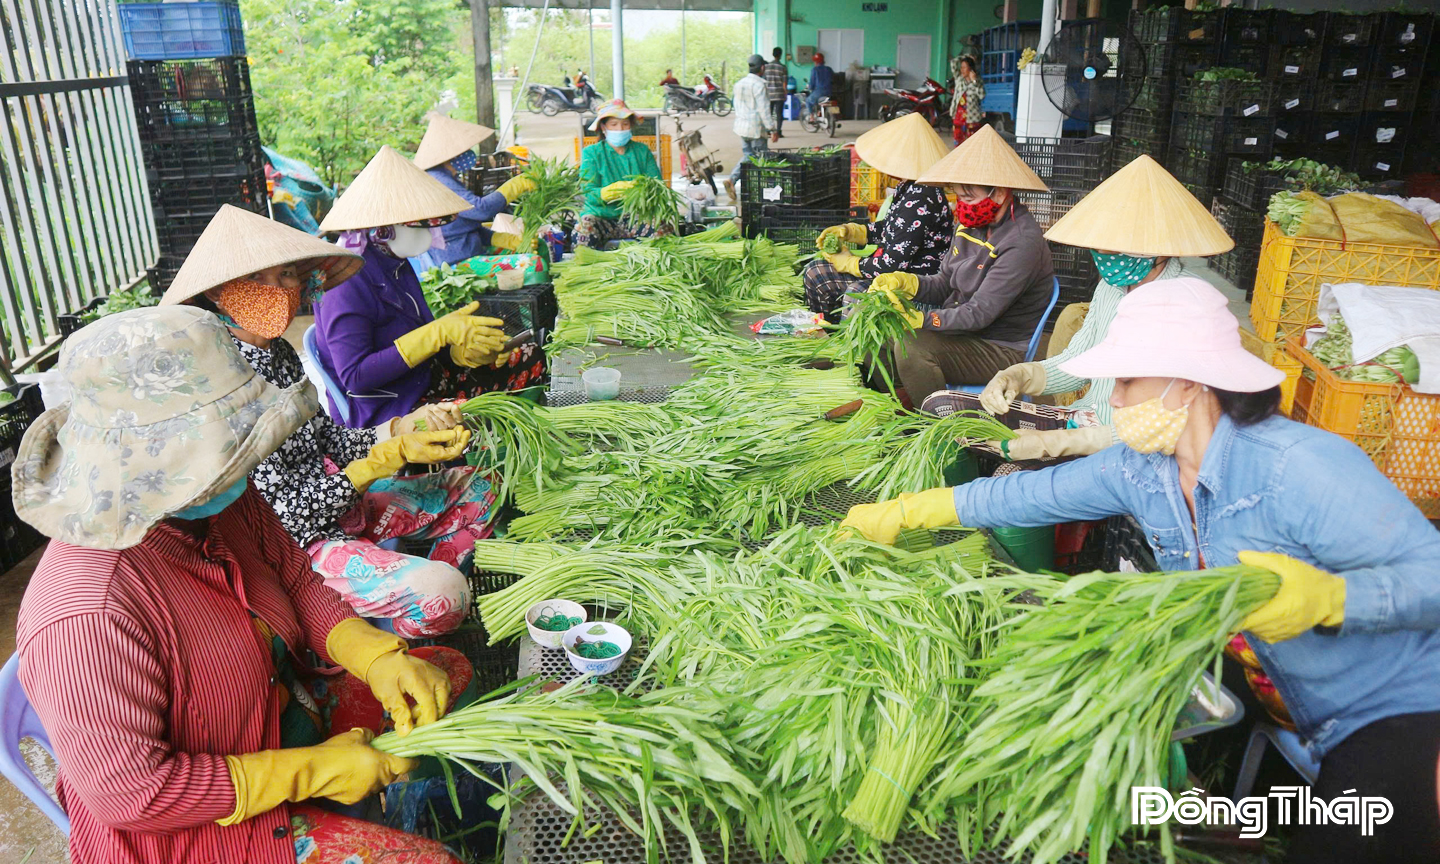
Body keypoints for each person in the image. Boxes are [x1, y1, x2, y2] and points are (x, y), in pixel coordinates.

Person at [840, 278, 1440, 864]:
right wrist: (916, 509)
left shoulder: (1301, 467)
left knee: (1358, 838)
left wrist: (1333, 599)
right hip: (1255, 675)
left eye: (1127, 381)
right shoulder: (1143, 465)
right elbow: (1035, 496)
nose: (1117, 399)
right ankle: (1213, 820)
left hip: (1382, 701)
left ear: (1188, 385)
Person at [13, 305, 472, 864]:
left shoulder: (211, 504)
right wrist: (312, 772)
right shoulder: (88, 614)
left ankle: (398, 808)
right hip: (200, 828)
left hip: (275, 710)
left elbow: (296, 576)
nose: (243, 470)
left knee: (441, 674)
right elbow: (134, 793)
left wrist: (374, 655)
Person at [162, 204, 503, 638]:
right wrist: (377, 463)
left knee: (483, 486)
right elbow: (284, 516)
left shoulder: (279, 353)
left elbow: (329, 439)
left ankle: (404, 593)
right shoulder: (219, 383)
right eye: (256, 280)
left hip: (343, 511)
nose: (279, 289)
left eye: (286, 275)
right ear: (218, 293)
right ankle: (378, 637)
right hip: (297, 549)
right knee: (443, 593)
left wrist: (399, 431)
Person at [960, 154, 1234, 461]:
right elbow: (1078, 364)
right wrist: (1017, 376)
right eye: (1101, 241)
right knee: (950, 411)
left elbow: (1161, 427)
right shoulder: (1111, 288)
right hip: (1084, 421)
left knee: (1005, 480)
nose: (1103, 252)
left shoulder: (1188, 306)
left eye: (1117, 243)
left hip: (1130, 451)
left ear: (1160, 246)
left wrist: (1057, 443)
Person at [315, 145, 544, 428]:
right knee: (483, 419)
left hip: (426, 380)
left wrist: (462, 355)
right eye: (421, 225)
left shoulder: (397, 264)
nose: (431, 233)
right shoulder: (344, 281)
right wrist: (436, 333)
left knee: (528, 354)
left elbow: (425, 343)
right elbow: (356, 376)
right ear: (384, 229)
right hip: (390, 409)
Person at [864, 125, 1054, 401]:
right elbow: (944, 283)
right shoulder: (970, 225)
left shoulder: (1021, 242)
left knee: (914, 347)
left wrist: (922, 319)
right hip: (963, 331)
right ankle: (905, 402)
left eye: (969, 198)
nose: (962, 207)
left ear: (999, 193)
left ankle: (934, 423)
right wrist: (906, 282)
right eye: (959, 198)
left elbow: (979, 313)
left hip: (998, 346)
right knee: (878, 329)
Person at [803, 112, 954, 322]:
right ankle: (829, 335)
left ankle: (853, 351)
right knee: (816, 273)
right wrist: (853, 231)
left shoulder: (923, 196)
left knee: (857, 295)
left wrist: (850, 263)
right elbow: (892, 229)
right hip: (888, 273)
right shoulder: (909, 186)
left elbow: (892, 264)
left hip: (912, 284)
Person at [412, 112, 540, 262]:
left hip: (463, 251)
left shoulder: (445, 176)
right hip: (457, 261)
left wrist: (505, 240)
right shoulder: (439, 180)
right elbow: (480, 210)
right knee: (532, 264)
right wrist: (516, 185)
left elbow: (463, 226)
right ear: (451, 154)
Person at [575, 98, 669, 249]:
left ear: (631, 126)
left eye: (625, 124)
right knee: (583, 229)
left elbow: (658, 186)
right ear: (603, 127)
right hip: (602, 216)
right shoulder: (591, 153)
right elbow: (588, 193)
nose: (620, 129)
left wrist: (641, 192)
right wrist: (608, 192)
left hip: (636, 216)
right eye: (614, 124)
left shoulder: (642, 151)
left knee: (661, 229)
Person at [730, 54, 774, 185]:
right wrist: (772, 128)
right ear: (762, 67)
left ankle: (734, 180)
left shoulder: (739, 84)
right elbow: (764, 109)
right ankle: (763, 186)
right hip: (756, 128)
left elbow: (736, 106)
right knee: (759, 158)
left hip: (741, 126)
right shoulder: (759, 85)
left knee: (749, 155)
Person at [950, 55, 985, 146]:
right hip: (958, 117)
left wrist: (974, 81)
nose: (962, 70)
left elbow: (982, 95)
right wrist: (965, 56)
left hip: (972, 118)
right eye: (961, 67)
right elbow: (953, 62)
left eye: (964, 67)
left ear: (971, 69)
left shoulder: (978, 81)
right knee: (958, 143)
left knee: (973, 144)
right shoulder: (959, 79)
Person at [763, 47, 788, 141]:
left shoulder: (766, 67)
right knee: (779, 114)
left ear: (772, 54)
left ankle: (768, 130)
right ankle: (778, 131)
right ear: (780, 55)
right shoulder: (783, 67)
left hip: (769, 94)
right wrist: (785, 93)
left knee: (768, 113)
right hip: (779, 94)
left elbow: (764, 80)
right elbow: (784, 82)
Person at [807, 51, 834, 117]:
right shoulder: (829, 69)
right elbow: (833, 80)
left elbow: (812, 83)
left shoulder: (815, 70)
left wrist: (809, 88)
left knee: (808, 100)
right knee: (821, 101)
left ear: (816, 62)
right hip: (829, 92)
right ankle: (820, 112)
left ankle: (811, 117)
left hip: (819, 92)